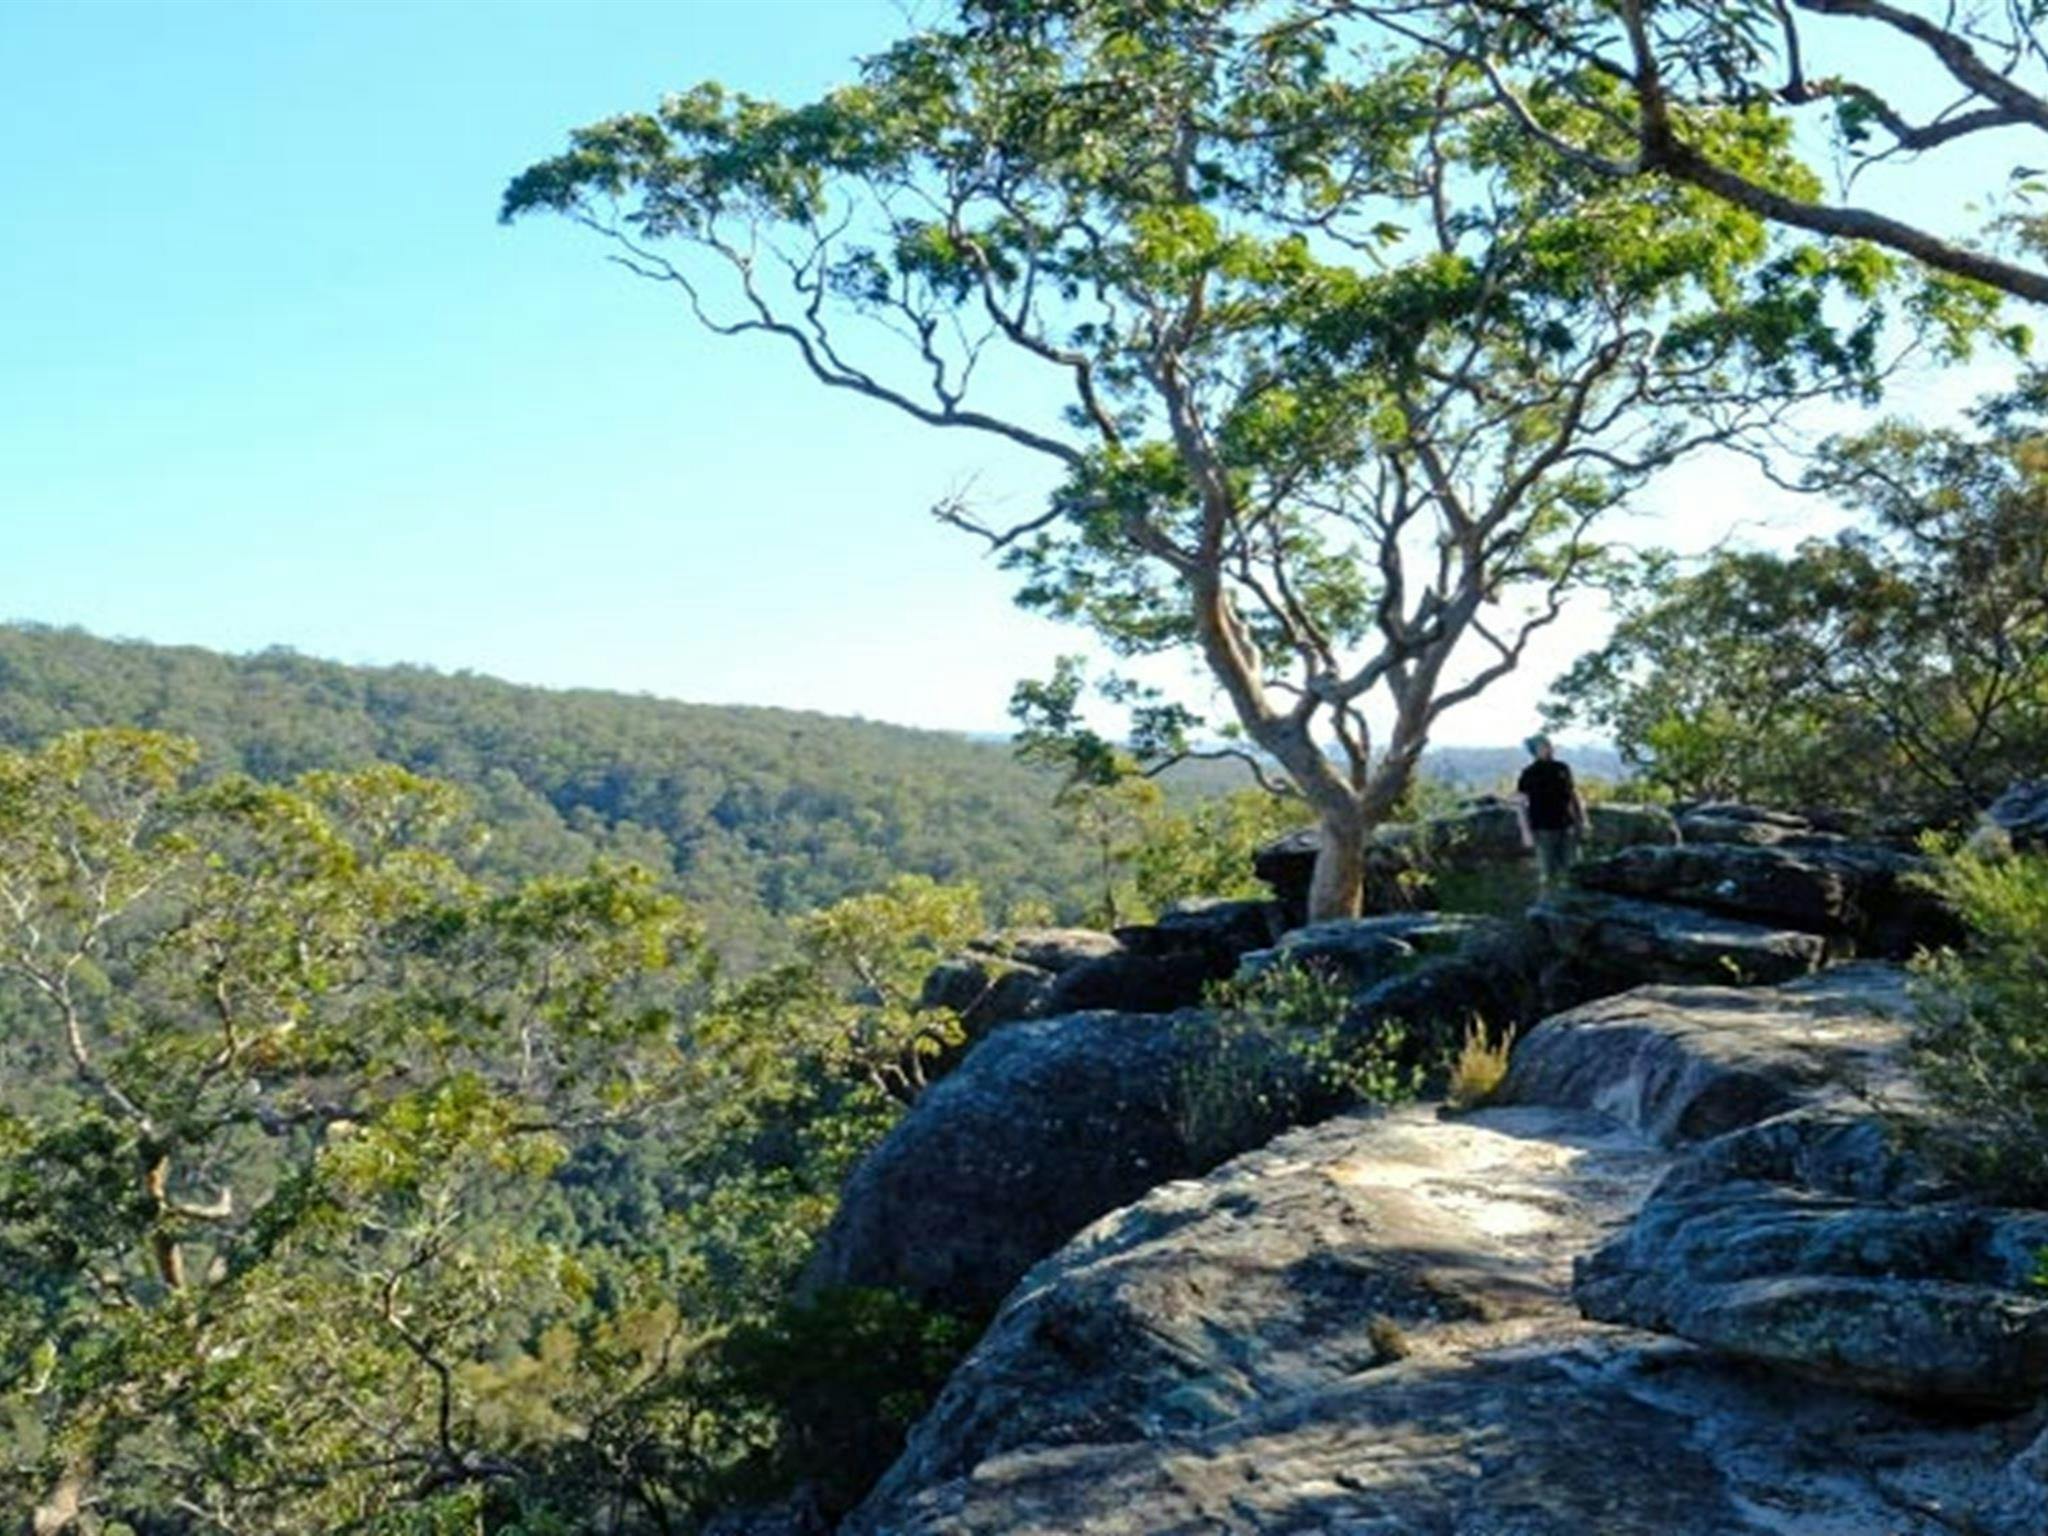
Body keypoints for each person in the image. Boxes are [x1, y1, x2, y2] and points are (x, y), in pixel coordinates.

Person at [1516, 734, 1588, 890]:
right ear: (1534, 751)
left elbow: (1573, 795)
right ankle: (1548, 906)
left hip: (1566, 824)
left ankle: (1573, 905)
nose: (1547, 749)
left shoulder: (1562, 768)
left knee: (1573, 868)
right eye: (1542, 746)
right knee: (1548, 872)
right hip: (1542, 828)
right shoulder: (1528, 773)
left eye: (1548, 745)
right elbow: (1521, 804)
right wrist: (1525, 832)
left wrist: (1583, 820)